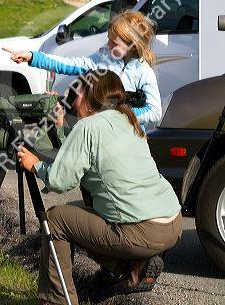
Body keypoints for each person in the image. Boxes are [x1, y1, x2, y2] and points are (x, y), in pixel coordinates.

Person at [17, 70, 182, 305]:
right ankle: (134, 268)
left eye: (77, 92)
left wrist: (36, 166)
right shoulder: (126, 119)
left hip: (141, 231)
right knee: (86, 215)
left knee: (56, 219)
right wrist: (61, 126)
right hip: (170, 222)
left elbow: (60, 180)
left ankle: (57, 300)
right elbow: (82, 158)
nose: (73, 100)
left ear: (90, 94)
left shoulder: (88, 127)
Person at [2, 10, 162, 128]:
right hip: (100, 132)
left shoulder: (144, 72)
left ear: (132, 45)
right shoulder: (105, 57)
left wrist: (120, 114)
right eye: (108, 39)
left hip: (127, 137)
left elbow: (155, 111)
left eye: (114, 43)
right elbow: (70, 64)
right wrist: (33, 57)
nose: (108, 45)